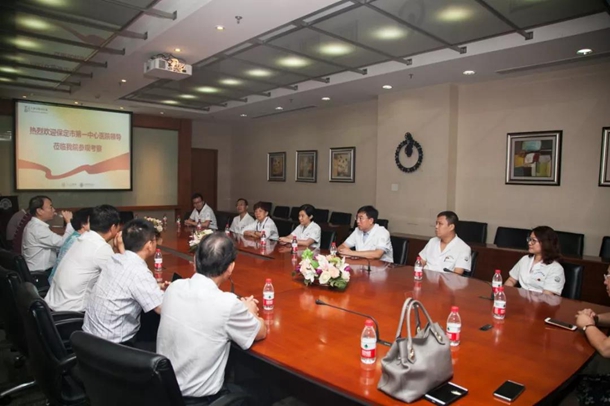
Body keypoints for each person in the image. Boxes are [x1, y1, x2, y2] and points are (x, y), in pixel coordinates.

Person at [157, 233, 266, 404]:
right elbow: (260, 332)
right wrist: (251, 311)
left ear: (195, 260)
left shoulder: (174, 287)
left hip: (163, 392)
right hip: (201, 400)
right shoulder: (227, 304)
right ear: (231, 267)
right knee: (264, 391)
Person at [83, 219, 166, 346]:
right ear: (149, 245)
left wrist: (154, 287)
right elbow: (162, 308)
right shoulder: (138, 272)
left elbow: (128, 284)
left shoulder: (114, 259)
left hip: (88, 339)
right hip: (113, 346)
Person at [45, 205, 122, 312]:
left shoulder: (83, 238)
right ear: (113, 227)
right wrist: (121, 248)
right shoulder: (100, 247)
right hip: (71, 312)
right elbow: (123, 277)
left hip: (53, 306)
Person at [504, 226, 565, 295]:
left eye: (534, 240)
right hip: (520, 299)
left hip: (541, 301)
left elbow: (547, 295)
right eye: (529, 239)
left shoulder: (555, 268)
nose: (529, 243)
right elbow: (511, 280)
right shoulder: (525, 259)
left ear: (545, 243)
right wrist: (503, 294)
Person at [22, 196, 73, 272]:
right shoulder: (37, 229)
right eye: (50, 207)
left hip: (41, 270)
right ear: (39, 211)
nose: (54, 210)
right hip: (40, 273)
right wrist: (69, 222)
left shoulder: (35, 225)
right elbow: (63, 242)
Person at [48, 208, 92, 283]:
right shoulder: (79, 241)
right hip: (62, 283)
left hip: (58, 280)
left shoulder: (75, 236)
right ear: (84, 224)